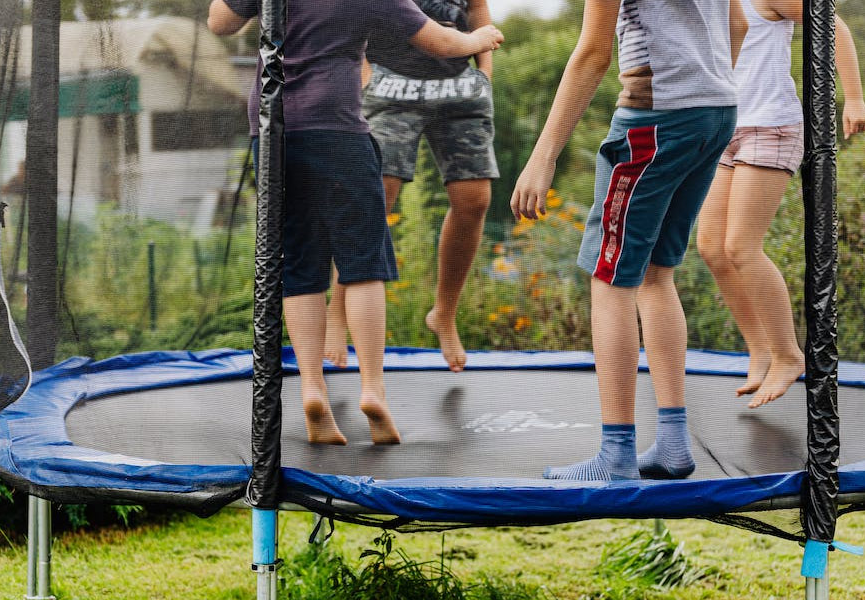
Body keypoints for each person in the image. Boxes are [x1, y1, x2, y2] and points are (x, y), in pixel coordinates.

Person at [207, 0, 502, 445]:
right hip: (338, 130)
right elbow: (441, 43)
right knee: (364, 264)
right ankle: (372, 389)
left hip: (272, 134)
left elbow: (219, 22)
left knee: (300, 265)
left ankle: (311, 388)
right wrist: (479, 39)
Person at [511, 0, 747, 480]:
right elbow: (738, 23)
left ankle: (616, 454)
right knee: (656, 274)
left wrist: (543, 155)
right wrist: (703, 86)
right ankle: (674, 444)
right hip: (717, 111)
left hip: (655, 119)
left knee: (610, 275)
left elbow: (593, 53)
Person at [696, 0, 865, 409]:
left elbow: (834, 27)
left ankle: (789, 353)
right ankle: (760, 349)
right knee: (710, 246)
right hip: (724, 125)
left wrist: (855, 98)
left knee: (741, 247)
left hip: (770, 126)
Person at [322, 0, 499, 373]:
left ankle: (444, 315)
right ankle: (336, 314)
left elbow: (478, 9)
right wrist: (365, 74)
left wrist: (485, 73)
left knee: (474, 199)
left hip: (459, 86)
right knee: (374, 197)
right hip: (391, 85)